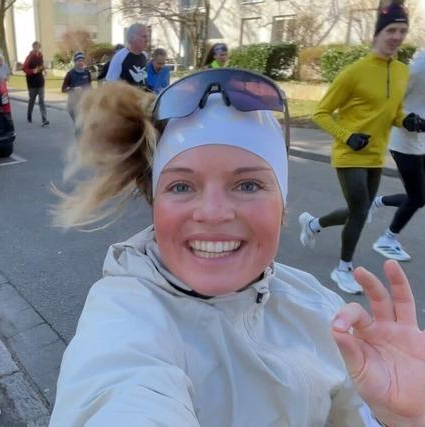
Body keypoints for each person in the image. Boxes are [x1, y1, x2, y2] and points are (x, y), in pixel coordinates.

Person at [48, 70, 425, 427]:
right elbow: (116, 390)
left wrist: (396, 417)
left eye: (247, 185)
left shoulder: (322, 309)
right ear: (154, 202)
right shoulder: (126, 313)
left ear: (283, 205)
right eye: (181, 186)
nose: (212, 213)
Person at [298, 0, 425, 294]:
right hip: (349, 154)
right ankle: (343, 268)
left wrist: (409, 121)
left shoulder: (403, 72)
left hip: (376, 155)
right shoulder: (354, 72)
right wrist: (347, 136)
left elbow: (393, 113)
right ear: (378, 33)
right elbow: (320, 112)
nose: (396, 36)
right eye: (391, 29)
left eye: (402, 30)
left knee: (361, 209)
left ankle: (315, 224)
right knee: (359, 211)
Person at [368, 49, 425, 261]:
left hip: (421, 142)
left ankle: (377, 201)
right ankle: (387, 239)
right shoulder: (419, 68)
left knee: (419, 195)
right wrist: (408, 119)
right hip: (404, 142)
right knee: (417, 198)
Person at [22, 41, 49, 126]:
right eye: (35, 47)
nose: (37, 49)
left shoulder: (41, 56)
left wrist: (44, 70)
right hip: (32, 82)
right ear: (33, 47)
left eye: (38, 47)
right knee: (32, 100)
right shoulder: (29, 57)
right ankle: (29, 114)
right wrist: (32, 71)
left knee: (41, 101)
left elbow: (41, 66)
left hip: (40, 81)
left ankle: (44, 119)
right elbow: (24, 68)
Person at [61, 51, 92, 121]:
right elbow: (63, 89)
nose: (81, 62)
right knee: (78, 125)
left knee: (83, 126)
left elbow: (90, 86)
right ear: (75, 62)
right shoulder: (70, 74)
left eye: (82, 60)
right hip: (73, 104)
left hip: (85, 103)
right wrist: (74, 89)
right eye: (79, 60)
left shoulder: (87, 73)